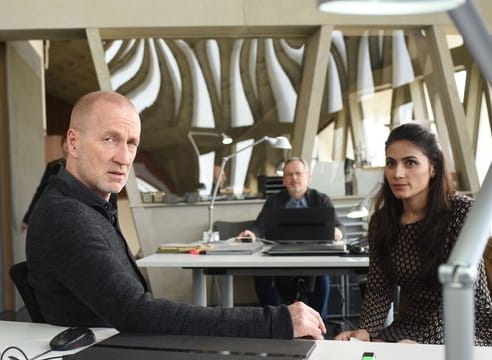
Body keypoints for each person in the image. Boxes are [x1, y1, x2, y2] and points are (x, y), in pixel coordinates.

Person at [26, 91, 326, 339]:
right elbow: (136, 313)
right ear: (74, 142)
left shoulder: (93, 204)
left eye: (131, 144)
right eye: (110, 139)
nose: (124, 158)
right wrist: (276, 321)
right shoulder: (65, 215)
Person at [335, 123, 492, 345]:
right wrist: (365, 331)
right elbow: (379, 289)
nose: (397, 173)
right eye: (391, 163)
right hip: (408, 327)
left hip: (467, 328)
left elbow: (463, 294)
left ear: (433, 168)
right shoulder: (381, 221)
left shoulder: (462, 212)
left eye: (410, 163)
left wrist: (423, 345)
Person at [239, 157, 344, 320]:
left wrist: (337, 232)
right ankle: (274, 321)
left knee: (322, 273)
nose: (294, 178)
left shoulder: (321, 199)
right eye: (289, 174)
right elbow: (260, 225)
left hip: (313, 258)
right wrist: (252, 233)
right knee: (260, 273)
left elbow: (339, 227)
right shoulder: (274, 201)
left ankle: (318, 323)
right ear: (284, 180)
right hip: (280, 257)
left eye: (298, 173)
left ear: (308, 177)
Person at [21, 135, 67, 231]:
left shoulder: (82, 169)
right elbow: (40, 192)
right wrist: (27, 219)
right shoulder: (53, 167)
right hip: (54, 215)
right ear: (62, 146)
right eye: (65, 145)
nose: (67, 148)